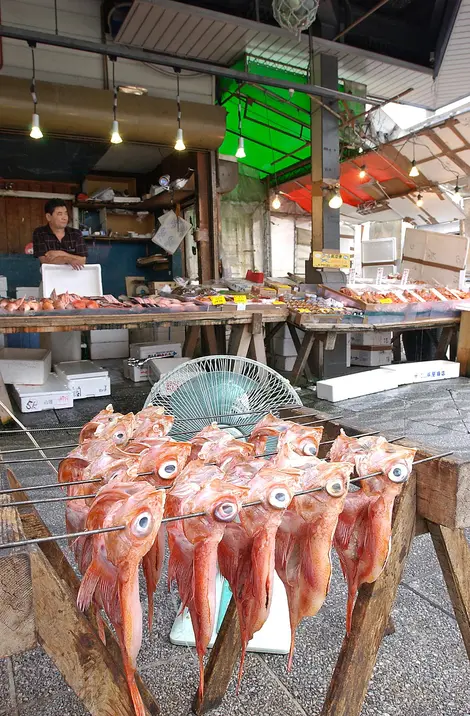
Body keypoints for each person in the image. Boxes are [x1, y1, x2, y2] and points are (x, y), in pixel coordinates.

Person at [33, 199, 87, 271]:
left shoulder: (76, 234)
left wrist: (60, 253)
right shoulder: (40, 233)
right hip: (50, 278)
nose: (64, 218)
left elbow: (82, 260)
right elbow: (45, 261)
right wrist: (68, 259)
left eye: (65, 213)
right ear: (48, 217)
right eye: (60, 214)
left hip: (73, 277)